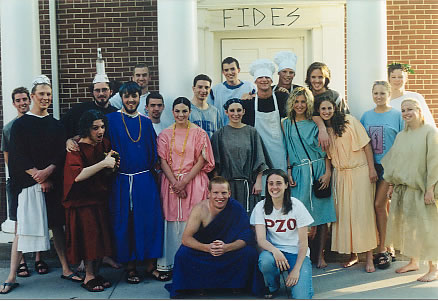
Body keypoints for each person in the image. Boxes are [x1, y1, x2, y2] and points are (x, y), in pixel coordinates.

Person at [1, 76, 81, 295]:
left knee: (57, 226)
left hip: (52, 183)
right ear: (33, 96)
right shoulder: (20, 125)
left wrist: (49, 173)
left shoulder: (56, 125)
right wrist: (37, 175)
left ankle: (65, 268)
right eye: (41, 94)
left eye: (48, 94)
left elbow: (59, 153)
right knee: (21, 229)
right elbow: (17, 155)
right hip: (28, 183)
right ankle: (11, 276)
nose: (45, 98)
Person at [106, 81, 164, 284]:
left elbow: (152, 153)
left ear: (140, 98)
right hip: (121, 180)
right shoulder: (111, 120)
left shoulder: (146, 122)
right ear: (121, 98)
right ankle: (130, 267)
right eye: (127, 96)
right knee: (126, 222)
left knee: (148, 220)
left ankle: (149, 265)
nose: (131, 100)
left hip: (144, 179)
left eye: (135, 96)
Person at [168, 176, 264, 298]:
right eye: (216, 193)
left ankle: (237, 284)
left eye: (224, 193)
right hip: (205, 251)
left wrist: (227, 247)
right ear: (208, 194)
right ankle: (197, 286)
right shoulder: (200, 209)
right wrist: (207, 248)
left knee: (250, 253)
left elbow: (247, 236)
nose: (220, 197)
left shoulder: (236, 208)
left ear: (229, 193)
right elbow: (186, 238)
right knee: (183, 254)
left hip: (228, 250)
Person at [316, 97, 378, 273]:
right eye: (323, 109)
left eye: (329, 108)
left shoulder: (350, 121)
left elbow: (366, 146)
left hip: (360, 172)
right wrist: (328, 172)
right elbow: (326, 156)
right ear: (319, 112)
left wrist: (372, 169)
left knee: (362, 214)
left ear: (334, 108)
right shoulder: (324, 131)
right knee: (345, 215)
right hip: (340, 175)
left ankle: (369, 257)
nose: (326, 111)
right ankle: (353, 255)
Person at [157, 97, 215, 277]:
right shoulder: (165, 134)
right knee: (172, 222)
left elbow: (202, 160)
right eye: (177, 111)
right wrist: (175, 182)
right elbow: (163, 160)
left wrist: (184, 182)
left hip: (194, 180)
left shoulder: (199, 133)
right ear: (172, 112)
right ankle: (170, 265)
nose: (181, 114)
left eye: (184, 111)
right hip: (170, 182)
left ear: (190, 112)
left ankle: (194, 265)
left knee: (193, 220)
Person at [381, 98, 438, 282]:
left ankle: (434, 268)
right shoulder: (401, 136)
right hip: (404, 190)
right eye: (403, 110)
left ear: (419, 110)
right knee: (410, 227)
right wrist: (391, 184)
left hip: (423, 189)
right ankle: (414, 262)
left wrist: (430, 188)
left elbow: (434, 162)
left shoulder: (429, 132)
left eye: (410, 109)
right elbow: (395, 161)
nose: (406, 113)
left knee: (427, 227)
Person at [281, 87, 336, 269]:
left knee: (321, 214)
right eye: (296, 102)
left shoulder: (315, 124)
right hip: (298, 171)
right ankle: (301, 255)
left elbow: (326, 150)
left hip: (319, 169)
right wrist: (288, 171)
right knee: (297, 214)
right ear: (291, 103)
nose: (299, 105)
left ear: (309, 103)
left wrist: (328, 172)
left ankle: (320, 255)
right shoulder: (286, 123)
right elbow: (287, 149)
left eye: (303, 102)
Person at [63, 110, 117, 292]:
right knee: (88, 239)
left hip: (98, 198)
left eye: (102, 127)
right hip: (82, 201)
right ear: (87, 129)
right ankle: (88, 277)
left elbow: (106, 171)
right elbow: (77, 175)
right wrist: (104, 164)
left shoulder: (104, 144)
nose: (100, 131)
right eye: (95, 128)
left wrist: (112, 166)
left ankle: (96, 273)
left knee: (99, 238)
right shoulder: (76, 148)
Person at [1, 87, 47, 278]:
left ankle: (38, 258)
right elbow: (8, 157)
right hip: (19, 181)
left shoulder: (36, 124)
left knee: (39, 220)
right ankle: (21, 262)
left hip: (38, 178)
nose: (22, 103)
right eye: (18, 100)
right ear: (13, 103)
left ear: (30, 100)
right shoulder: (9, 128)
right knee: (19, 222)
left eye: (25, 99)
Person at [360, 81, 404, 268]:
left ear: (389, 94)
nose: (378, 97)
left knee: (379, 205)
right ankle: (388, 245)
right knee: (377, 208)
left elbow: (403, 143)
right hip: (371, 167)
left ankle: (383, 249)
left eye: (382, 93)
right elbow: (362, 142)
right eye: (375, 93)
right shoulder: (366, 116)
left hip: (389, 168)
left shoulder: (396, 115)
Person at [252, 169, 314, 299]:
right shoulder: (260, 207)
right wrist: (275, 251)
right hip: (274, 253)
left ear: (286, 185)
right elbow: (261, 240)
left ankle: (298, 281)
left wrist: (296, 270)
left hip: (296, 253)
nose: (274, 187)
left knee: (301, 297)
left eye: (279, 183)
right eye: (271, 183)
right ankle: (273, 286)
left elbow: (303, 243)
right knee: (265, 261)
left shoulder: (297, 205)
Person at [211, 98, 272, 213]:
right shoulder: (219, 134)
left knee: (248, 219)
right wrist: (217, 187)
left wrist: (258, 182)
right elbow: (215, 165)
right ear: (226, 112)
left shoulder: (251, 132)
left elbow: (259, 159)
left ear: (244, 111)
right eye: (232, 110)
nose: (235, 114)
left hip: (248, 186)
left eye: (239, 110)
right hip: (226, 186)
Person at [241, 58, 289, 175]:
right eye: (260, 77)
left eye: (267, 77)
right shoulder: (249, 103)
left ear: (272, 80)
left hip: (280, 151)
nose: (264, 80)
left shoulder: (281, 98)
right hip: (259, 153)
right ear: (255, 81)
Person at [305, 62, 349, 152]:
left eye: (320, 77)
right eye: (313, 77)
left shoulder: (335, 96)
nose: (317, 80)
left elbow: (346, 119)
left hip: (335, 142)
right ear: (309, 78)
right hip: (311, 145)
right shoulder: (305, 97)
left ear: (326, 78)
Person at [208, 57, 256, 125]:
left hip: (244, 131)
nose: (230, 72)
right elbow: (209, 111)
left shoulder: (250, 87)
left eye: (232, 69)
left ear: (238, 70)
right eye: (226, 70)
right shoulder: (215, 90)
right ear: (223, 72)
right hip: (222, 131)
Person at [189, 74, 222, 139]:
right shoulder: (186, 110)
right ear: (193, 88)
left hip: (211, 149)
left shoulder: (215, 112)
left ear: (209, 90)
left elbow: (219, 136)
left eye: (206, 87)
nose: (203, 90)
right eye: (200, 87)